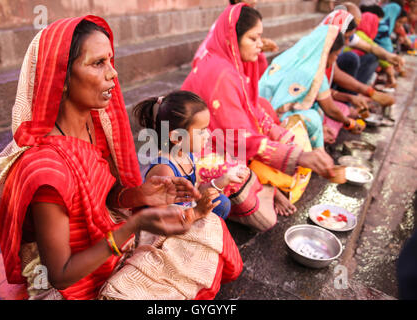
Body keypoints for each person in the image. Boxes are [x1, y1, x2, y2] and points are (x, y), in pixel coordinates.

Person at [0, 16, 243, 300]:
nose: (113, 73)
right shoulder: (46, 168)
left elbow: (107, 197)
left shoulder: (92, 127)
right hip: (77, 280)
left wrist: (139, 195)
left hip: (113, 243)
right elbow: (60, 274)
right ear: (61, 78)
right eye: (98, 63)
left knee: (207, 223)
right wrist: (134, 225)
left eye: (111, 60)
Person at [182, 4, 335, 230]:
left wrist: (284, 140)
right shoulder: (221, 74)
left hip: (219, 138)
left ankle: (263, 184)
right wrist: (298, 157)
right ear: (233, 39)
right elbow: (240, 138)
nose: (260, 44)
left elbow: (254, 110)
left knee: (276, 126)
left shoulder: (230, 65)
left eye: (260, 37)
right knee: (264, 217)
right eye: (253, 39)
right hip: (190, 151)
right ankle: (263, 189)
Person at [134, 90, 251, 220]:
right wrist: (196, 213)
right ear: (177, 137)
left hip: (186, 213)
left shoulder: (187, 155)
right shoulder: (165, 170)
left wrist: (225, 179)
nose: (207, 136)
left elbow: (196, 192)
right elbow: (161, 219)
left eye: (206, 129)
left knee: (221, 202)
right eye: (201, 132)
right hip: (166, 226)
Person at [259, 25, 364, 149]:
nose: (334, 60)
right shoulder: (314, 71)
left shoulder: (287, 58)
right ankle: (318, 154)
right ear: (326, 52)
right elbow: (330, 109)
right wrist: (349, 123)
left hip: (260, 114)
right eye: (336, 55)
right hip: (273, 122)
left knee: (314, 108)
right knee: (314, 117)